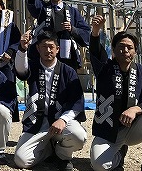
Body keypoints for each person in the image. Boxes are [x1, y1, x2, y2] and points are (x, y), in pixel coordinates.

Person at [89, 15, 142, 171]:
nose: (125, 50)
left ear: (135, 51)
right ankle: (119, 155)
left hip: (133, 128)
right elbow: (95, 52)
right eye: (121, 47)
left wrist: (135, 109)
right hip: (108, 130)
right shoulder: (104, 69)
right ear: (113, 51)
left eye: (129, 47)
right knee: (99, 166)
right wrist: (95, 31)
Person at [13, 30, 87, 171]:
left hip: (60, 122)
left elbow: (76, 102)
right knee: (21, 160)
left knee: (78, 135)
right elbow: (21, 70)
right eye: (44, 47)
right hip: (37, 122)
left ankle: (62, 155)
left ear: (57, 49)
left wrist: (63, 119)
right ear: (37, 48)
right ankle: (48, 149)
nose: (48, 50)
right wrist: (22, 49)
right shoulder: (33, 66)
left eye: (51, 47)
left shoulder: (68, 71)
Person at [26, 0, 91, 70]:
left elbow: (86, 33)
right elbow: (33, 3)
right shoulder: (43, 8)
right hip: (46, 54)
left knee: (67, 77)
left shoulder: (73, 12)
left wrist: (72, 29)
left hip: (67, 54)